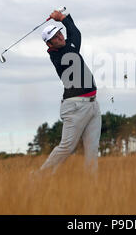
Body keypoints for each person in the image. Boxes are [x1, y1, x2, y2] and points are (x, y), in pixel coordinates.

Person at [33, 9, 101, 175]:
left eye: (59, 34)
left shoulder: (67, 46)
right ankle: (38, 177)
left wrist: (63, 19)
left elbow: (75, 34)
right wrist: (62, 18)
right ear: (49, 45)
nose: (59, 37)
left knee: (92, 150)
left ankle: (92, 186)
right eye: (54, 38)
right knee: (66, 147)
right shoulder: (60, 55)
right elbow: (75, 37)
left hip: (92, 105)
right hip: (75, 107)